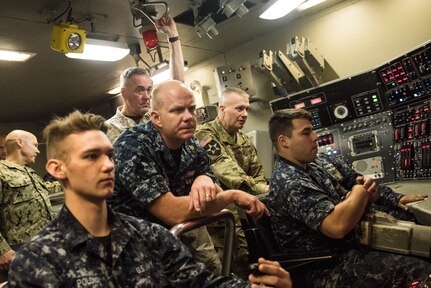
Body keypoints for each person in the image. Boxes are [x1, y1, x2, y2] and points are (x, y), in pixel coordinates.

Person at [7, 110, 292, 288]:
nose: (107, 165)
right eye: (92, 156)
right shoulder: (38, 260)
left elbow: (201, 282)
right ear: (58, 170)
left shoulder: (150, 236)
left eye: (110, 155)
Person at [110, 80, 269, 275]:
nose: (188, 117)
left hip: (178, 235)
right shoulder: (133, 145)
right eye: (177, 111)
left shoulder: (191, 144)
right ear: (156, 118)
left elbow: (213, 189)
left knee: (215, 273)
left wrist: (203, 179)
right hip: (134, 248)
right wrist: (232, 196)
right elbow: (172, 211)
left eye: (191, 109)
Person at [265, 108, 430, 287]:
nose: (315, 137)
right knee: (417, 271)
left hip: (351, 244)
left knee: (413, 224)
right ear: (284, 141)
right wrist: (359, 193)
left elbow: (355, 179)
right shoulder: (289, 181)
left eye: (313, 130)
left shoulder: (318, 162)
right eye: (306, 133)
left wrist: (388, 196)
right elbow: (336, 226)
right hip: (326, 265)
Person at [194, 87, 268, 278]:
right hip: (221, 216)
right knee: (227, 267)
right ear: (222, 109)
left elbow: (257, 172)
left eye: (246, 109)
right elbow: (227, 171)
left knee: (252, 260)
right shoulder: (204, 135)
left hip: (247, 212)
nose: (244, 114)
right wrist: (263, 190)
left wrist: (263, 193)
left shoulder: (243, 139)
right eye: (238, 109)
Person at [105, 14, 185, 143]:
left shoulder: (156, 118)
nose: (147, 96)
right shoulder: (107, 129)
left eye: (149, 90)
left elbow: (178, 86)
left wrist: (172, 34)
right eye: (140, 90)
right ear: (124, 93)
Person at [0, 130, 61, 282]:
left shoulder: (29, 172)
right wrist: (2, 250)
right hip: (18, 250)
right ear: (20, 143)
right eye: (34, 145)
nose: (38, 150)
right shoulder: (1, 172)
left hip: (43, 245)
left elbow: (47, 189)